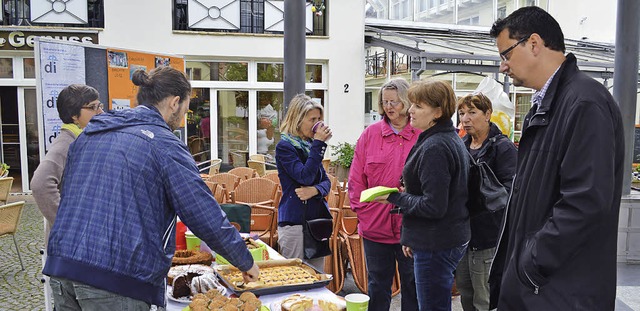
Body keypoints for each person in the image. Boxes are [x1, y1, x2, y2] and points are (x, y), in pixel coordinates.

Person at [43, 66, 259, 310]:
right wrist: (245, 261)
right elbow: (202, 212)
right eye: (186, 108)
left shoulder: (91, 133)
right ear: (174, 102)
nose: (184, 116)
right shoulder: (164, 145)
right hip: (115, 279)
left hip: (62, 266)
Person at [489, 6, 623, 310]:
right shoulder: (546, 107)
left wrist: (531, 262)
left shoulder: (584, 102)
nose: (503, 67)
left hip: (559, 291)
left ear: (534, 43)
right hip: (542, 287)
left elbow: (585, 202)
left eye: (506, 55)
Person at [372, 80, 470, 311]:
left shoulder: (436, 146)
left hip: (437, 242)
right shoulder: (442, 137)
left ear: (437, 112)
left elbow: (434, 205)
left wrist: (393, 197)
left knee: (432, 305)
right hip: (438, 238)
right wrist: (411, 235)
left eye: (418, 106)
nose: (410, 110)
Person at [348, 78, 419, 311]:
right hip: (375, 227)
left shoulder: (421, 135)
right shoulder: (370, 135)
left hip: (411, 228)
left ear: (407, 103)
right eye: (385, 101)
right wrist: (364, 213)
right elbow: (356, 180)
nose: (389, 107)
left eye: (395, 102)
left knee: (413, 285)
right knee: (378, 286)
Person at [455, 93, 517, 311]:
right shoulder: (461, 145)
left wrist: (480, 194)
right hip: (463, 236)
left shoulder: (502, 148)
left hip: (489, 238)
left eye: (472, 112)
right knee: (466, 293)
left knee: (485, 298)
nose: (465, 119)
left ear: (488, 114)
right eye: (462, 113)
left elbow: (511, 193)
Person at [31, 84, 103, 238]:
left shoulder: (82, 139)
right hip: (68, 243)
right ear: (74, 115)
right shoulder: (66, 143)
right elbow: (40, 184)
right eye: (93, 107)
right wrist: (67, 223)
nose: (100, 111)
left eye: (100, 105)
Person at [275, 94, 332, 271]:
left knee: (317, 278)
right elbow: (304, 176)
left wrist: (314, 190)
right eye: (312, 119)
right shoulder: (286, 147)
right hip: (295, 223)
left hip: (316, 223)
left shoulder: (309, 147)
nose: (318, 124)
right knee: (293, 278)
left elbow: (327, 182)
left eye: (319, 119)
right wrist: (318, 145)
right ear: (298, 120)